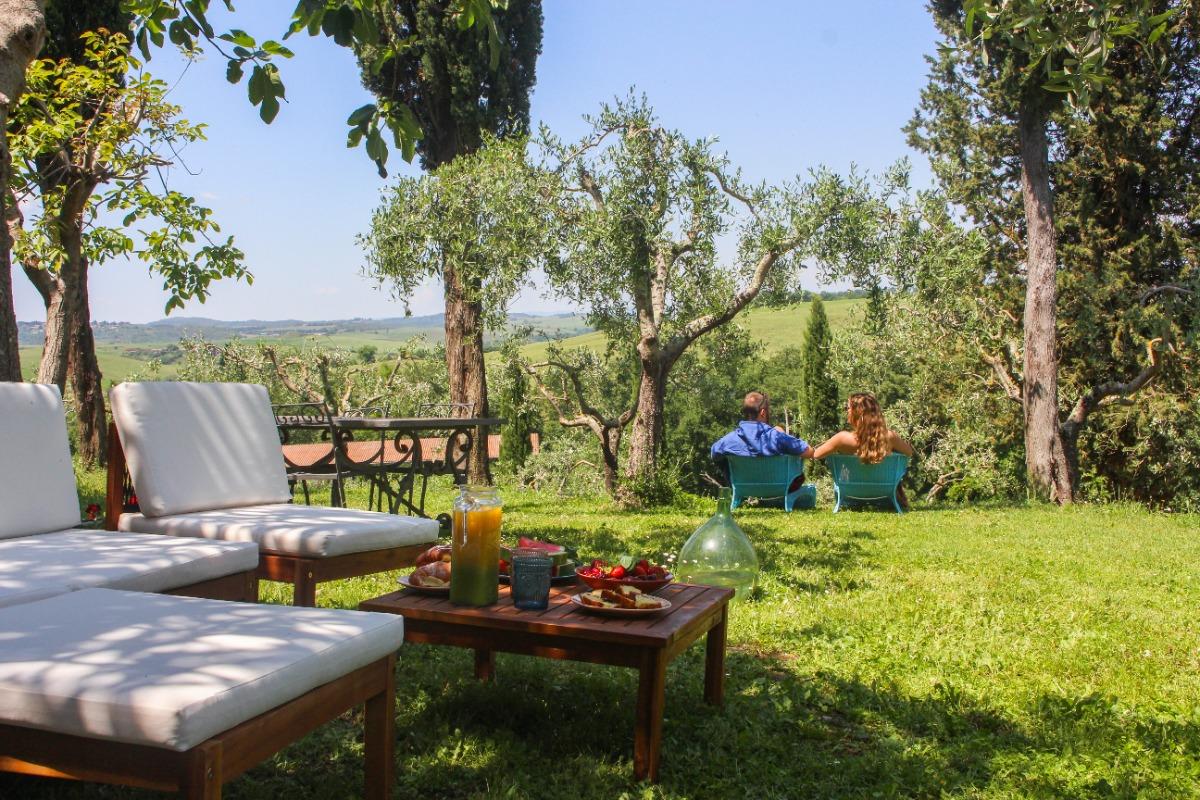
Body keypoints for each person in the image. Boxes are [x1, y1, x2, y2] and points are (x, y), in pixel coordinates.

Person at [711, 392, 814, 489]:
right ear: (763, 413)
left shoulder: (729, 440)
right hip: (777, 489)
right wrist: (782, 434)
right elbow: (809, 452)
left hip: (743, 489)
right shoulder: (777, 437)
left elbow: (714, 454)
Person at [813, 392, 914, 462]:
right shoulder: (890, 437)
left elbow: (816, 455)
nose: (847, 411)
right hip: (882, 487)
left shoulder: (842, 438)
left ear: (857, 412)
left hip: (850, 487)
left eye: (848, 408)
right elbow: (909, 452)